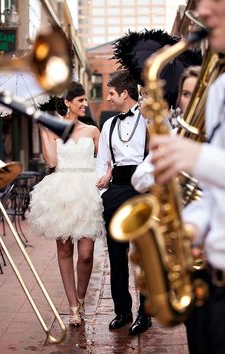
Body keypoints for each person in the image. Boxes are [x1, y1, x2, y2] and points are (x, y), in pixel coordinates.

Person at [146, 0, 225, 353]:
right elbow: (215, 191)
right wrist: (191, 225)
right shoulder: (220, 90)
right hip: (214, 280)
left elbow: (209, 165)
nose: (203, 11)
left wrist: (195, 157)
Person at [28, 81, 110, 327]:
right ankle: (74, 307)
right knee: (65, 251)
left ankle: (82, 299)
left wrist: (108, 175)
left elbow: (106, 161)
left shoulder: (93, 131)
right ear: (67, 102)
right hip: (61, 191)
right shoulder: (53, 129)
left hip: (87, 191)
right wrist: (43, 131)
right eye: (81, 100)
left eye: (85, 100)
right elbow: (52, 162)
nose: (85, 104)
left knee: (86, 255)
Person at [96, 70, 152, 336]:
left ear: (125, 93)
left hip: (143, 190)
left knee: (144, 255)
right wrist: (103, 194)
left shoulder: (150, 119)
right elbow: (102, 163)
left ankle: (146, 314)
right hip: (116, 190)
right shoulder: (108, 125)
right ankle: (122, 311)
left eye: (111, 93)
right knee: (116, 255)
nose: (108, 98)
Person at [131, 65, 201, 193]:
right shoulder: (175, 135)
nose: (191, 100)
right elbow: (138, 179)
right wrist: (166, 170)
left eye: (197, 93)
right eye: (186, 94)